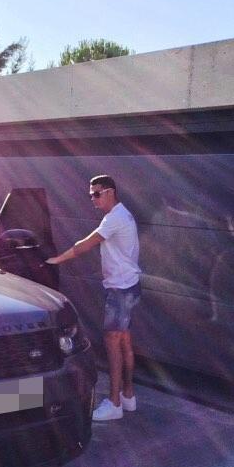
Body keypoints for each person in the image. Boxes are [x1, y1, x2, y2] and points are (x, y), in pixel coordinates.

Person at [46, 175, 141, 421]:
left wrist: (57, 260)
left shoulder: (115, 218)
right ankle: (128, 396)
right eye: (90, 195)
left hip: (120, 291)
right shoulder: (122, 215)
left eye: (96, 194)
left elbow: (85, 244)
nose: (93, 199)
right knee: (125, 342)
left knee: (112, 344)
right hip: (128, 288)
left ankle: (114, 403)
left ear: (110, 192)